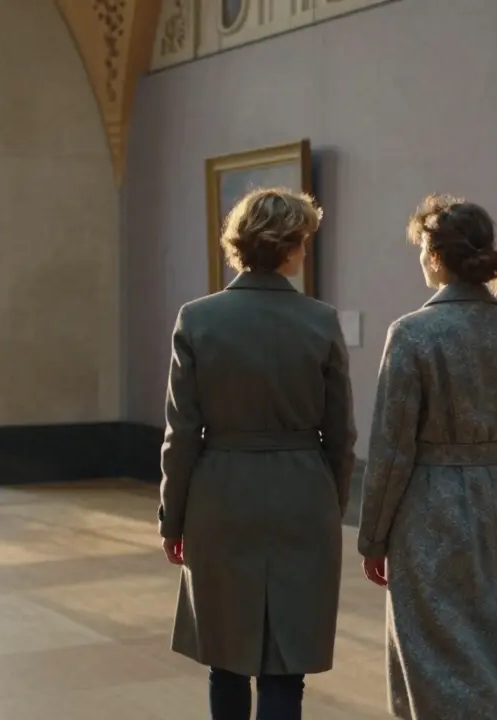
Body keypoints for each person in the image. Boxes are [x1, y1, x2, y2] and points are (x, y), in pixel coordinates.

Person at [158, 187, 356, 720]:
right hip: (302, 493)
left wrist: (172, 519)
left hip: (220, 495)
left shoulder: (197, 320)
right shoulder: (321, 321)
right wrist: (328, 505)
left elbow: (180, 436)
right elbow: (342, 436)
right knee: (285, 664)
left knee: (225, 658)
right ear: (292, 248)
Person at [356, 194, 497, 719]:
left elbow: (391, 446)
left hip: (431, 507)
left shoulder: (412, 334)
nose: (421, 259)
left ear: (437, 256)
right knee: (496, 652)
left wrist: (373, 535)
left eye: (423, 248)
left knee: (434, 660)